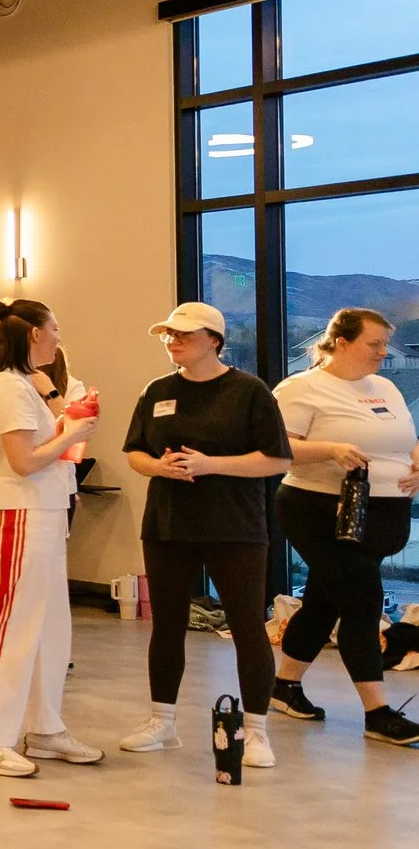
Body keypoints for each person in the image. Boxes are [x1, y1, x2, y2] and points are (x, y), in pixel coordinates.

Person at [112, 303, 293, 765]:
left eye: (184, 335)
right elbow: (135, 451)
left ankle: (255, 731)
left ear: (213, 340)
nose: (173, 342)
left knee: (247, 626)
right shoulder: (156, 391)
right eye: (168, 335)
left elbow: (277, 460)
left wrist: (212, 465)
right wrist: (158, 467)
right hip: (169, 525)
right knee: (167, 625)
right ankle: (162, 722)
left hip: (235, 526)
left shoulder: (248, 391)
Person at [0, 298, 103, 778]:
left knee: (48, 628)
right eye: (55, 328)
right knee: (6, 626)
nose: (60, 337)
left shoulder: (27, 387)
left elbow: (46, 453)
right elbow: (23, 460)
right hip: (14, 517)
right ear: (35, 334)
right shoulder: (7, 388)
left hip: (43, 514)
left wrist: (66, 427)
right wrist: (71, 433)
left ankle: (44, 726)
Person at [268, 308, 419, 744]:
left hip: (381, 512)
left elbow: (403, 443)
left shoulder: (386, 386)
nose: (383, 352)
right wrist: (332, 449)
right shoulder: (301, 388)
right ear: (340, 341)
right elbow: (281, 450)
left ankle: (285, 687)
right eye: (374, 344)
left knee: (323, 601)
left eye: (384, 344)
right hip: (319, 509)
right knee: (362, 601)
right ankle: (378, 712)